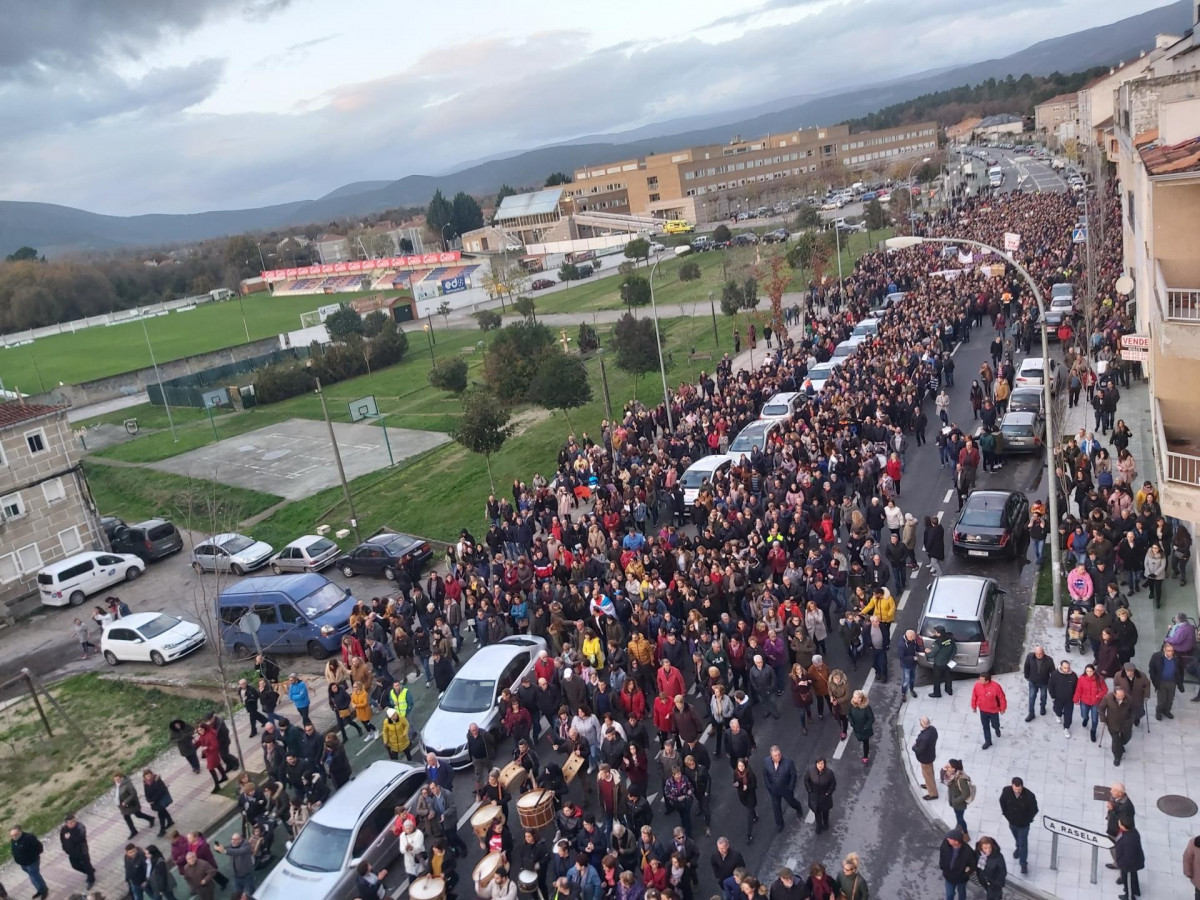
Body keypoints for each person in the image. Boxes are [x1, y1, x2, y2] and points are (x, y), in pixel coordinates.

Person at [998, 777, 1037, 875]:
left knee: (1023, 842)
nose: (1017, 791)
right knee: (1017, 839)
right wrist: (1006, 814)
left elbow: (1034, 810)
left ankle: (1023, 863)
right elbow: (1002, 801)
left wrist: (1028, 820)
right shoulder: (1006, 791)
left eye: (1019, 789)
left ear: (1022, 787)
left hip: (1024, 825)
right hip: (1012, 822)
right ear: (1012, 786)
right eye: (1015, 789)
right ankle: (1018, 848)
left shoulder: (1030, 796)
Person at [762, 746, 805, 832]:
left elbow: (793, 775)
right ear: (771, 755)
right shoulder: (766, 762)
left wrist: (790, 788)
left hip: (786, 789)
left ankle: (798, 807)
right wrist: (769, 786)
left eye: (779, 754)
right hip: (774, 789)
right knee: (776, 807)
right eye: (775, 755)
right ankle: (779, 824)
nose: (778, 757)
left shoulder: (788, 762)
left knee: (791, 802)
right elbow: (765, 775)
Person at [1148, 641, 1186, 721]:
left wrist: (1180, 683)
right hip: (1161, 682)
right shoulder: (1157, 656)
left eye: (1172, 651)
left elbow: (1181, 670)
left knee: (1170, 699)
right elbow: (1152, 669)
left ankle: (1167, 711)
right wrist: (1155, 681)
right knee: (1162, 700)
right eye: (1168, 651)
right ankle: (1159, 712)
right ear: (1164, 650)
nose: (1171, 652)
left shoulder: (1177, 658)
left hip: (1172, 682)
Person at [9, 825, 47, 900]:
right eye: (12, 835)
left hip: (32, 863)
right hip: (23, 864)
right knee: (34, 877)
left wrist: (32, 857)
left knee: (35, 878)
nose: (14, 837)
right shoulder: (13, 840)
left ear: (20, 831)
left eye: (15, 834)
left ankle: (44, 890)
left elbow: (39, 848)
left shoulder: (29, 838)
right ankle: (40, 890)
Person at [969, 673, 1006, 749]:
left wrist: (1002, 708)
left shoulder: (996, 687)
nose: (979, 681)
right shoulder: (977, 685)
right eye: (979, 679)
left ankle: (996, 728)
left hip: (993, 711)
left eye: (981, 679)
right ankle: (988, 741)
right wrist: (974, 706)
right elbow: (974, 696)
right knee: (985, 726)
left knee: (995, 724)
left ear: (987, 681)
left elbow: (1002, 698)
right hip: (982, 710)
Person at [212, 832, 256, 897]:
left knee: (250, 893)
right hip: (236, 876)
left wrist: (224, 851)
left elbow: (238, 852)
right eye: (232, 839)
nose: (233, 841)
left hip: (246, 875)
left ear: (240, 839)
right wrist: (218, 849)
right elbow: (225, 848)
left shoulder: (246, 846)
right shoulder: (233, 844)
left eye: (235, 839)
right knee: (237, 895)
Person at [59, 813, 96, 890]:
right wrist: (65, 848)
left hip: (82, 851)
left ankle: (91, 879)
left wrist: (70, 837)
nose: (73, 823)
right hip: (72, 852)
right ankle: (90, 872)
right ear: (66, 823)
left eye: (74, 821)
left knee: (87, 864)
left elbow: (80, 838)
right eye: (70, 822)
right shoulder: (64, 829)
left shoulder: (80, 827)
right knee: (75, 865)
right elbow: (62, 839)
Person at [1100, 686, 1134, 765]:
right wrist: (1103, 718)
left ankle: (1121, 744)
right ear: (1115, 695)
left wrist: (1131, 720)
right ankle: (1117, 757)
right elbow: (1101, 708)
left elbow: (1133, 710)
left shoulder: (1129, 699)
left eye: (1123, 695)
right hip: (1112, 723)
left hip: (1125, 724)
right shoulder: (1107, 698)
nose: (1121, 697)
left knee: (1127, 738)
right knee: (1116, 742)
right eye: (1119, 696)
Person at [939, 828, 977, 900]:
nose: (947, 839)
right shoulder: (945, 844)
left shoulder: (968, 852)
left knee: (962, 893)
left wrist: (967, 872)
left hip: (961, 879)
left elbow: (973, 865)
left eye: (950, 839)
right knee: (949, 895)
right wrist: (942, 866)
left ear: (956, 841)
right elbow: (942, 853)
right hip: (948, 877)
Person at [116, 771, 157, 836]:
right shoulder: (118, 785)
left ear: (122, 778)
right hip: (125, 806)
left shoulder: (128, 784)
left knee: (138, 814)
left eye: (117, 779)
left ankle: (150, 819)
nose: (116, 781)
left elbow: (133, 793)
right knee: (127, 817)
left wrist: (125, 801)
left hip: (132, 804)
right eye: (115, 780)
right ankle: (133, 830)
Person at [803, 758, 836, 834]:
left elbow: (833, 784)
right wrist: (809, 790)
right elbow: (806, 780)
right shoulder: (811, 771)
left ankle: (826, 824)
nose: (820, 765)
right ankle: (819, 826)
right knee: (817, 812)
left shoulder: (829, 773)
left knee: (825, 812)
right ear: (816, 764)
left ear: (824, 764)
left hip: (825, 797)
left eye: (822, 763)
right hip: (814, 797)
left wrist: (828, 793)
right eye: (818, 763)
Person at [1114, 817, 1144, 900]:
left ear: (1124, 827)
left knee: (1128, 880)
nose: (1119, 824)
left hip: (1128, 865)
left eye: (1120, 823)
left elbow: (1129, 856)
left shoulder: (1129, 839)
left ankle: (1129, 896)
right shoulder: (1131, 832)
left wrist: (1121, 863)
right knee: (1133, 877)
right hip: (1130, 862)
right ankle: (1136, 890)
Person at [1023, 645, 1053, 722]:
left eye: (1040, 653)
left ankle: (1042, 708)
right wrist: (1027, 676)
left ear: (1043, 652)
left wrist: (1051, 682)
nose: (1039, 655)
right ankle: (1031, 713)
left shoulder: (1049, 660)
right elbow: (1026, 666)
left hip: (1044, 683)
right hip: (1033, 682)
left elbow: (1053, 672)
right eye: (1037, 653)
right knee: (1031, 697)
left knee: (1043, 697)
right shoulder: (1030, 657)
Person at [1049, 660, 1078, 737]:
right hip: (1058, 698)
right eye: (1065, 668)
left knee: (1068, 715)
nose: (1067, 670)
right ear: (1061, 667)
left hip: (1069, 700)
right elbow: (1051, 685)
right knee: (1057, 709)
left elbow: (1076, 688)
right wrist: (1052, 696)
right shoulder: (1055, 674)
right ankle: (1058, 715)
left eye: (1068, 668)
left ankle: (1066, 728)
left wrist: (1076, 698)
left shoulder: (1073, 675)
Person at [912, 716, 939, 800]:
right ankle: (928, 785)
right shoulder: (933, 730)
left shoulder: (924, 738)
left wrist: (914, 747)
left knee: (928, 775)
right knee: (928, 773)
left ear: (921, 724)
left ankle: (933, 793)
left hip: (925, 759)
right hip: (930, 755)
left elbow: (920, 750)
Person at [943, 759, 972, 837]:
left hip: (959, 804)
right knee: (958, 816)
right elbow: (943, 779)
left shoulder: (961, 779)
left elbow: (966, 794)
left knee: (960, 818)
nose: (946, 767)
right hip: (954, 800)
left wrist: (956, 801)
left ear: (954, 769)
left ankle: (965, 833)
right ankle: (959, 825)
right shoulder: (950, 775)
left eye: (948, 766)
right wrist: (943, 770)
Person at [142, 768, 175, 837]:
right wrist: (148, 800)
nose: (149, 777)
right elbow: (146, 793)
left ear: (152, 774)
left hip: (160, 800)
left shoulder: (157, 780)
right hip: (154, 802)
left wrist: (153, 800)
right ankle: (169, 821)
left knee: (160, 814)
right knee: (162, 811)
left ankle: (162, 829)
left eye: (149, 775)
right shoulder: (145, 783)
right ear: (144, 777)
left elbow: (161, 791)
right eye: (147, 776)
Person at [733, 758, 759, 843]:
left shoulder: (750, 774)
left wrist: (747, 787)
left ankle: (749, 834)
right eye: (739, 766)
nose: (741, 767)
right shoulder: (736, 773)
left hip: (750, 795)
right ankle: (755, 816)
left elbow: (754, 785)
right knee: (750, 809)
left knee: (749, 814)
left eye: (742, 766)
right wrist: (736, 784)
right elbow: (734, 781)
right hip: (742, 795)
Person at [974, 835, 1008, 900]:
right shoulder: (978, 854)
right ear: (981, 848)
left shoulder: (998, 856)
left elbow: (1003, 872)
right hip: (983, 880)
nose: (988, 850)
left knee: (992, 897)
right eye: (985, 848)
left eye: (989, 847)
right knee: (988, 891)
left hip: (995, 883)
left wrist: (997, 884)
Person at [927, 626, 956, 697]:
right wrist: (951, 658)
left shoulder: (937, 643)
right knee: (948, 677)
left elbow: (931, 655)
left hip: (939, 664)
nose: (934, 633)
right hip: (948, 662)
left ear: (939, 633)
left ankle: (937, 693)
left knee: (937, 679)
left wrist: (927, 652)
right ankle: (949, 690)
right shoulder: (950, 639)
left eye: (936, 632)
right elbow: (954, 649)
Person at [847, 690, 875, 765]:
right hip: (856, 728)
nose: (853, 699)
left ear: (860, 699)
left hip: (864, 729)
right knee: (860, 739)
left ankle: (865, 757)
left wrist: (866, 727)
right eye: (853, 697)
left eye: (855, 697)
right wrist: (851, 721)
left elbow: (871, 718)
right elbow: (849, 714)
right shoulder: (852, 705)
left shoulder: (866, 708)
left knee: (865, 742)